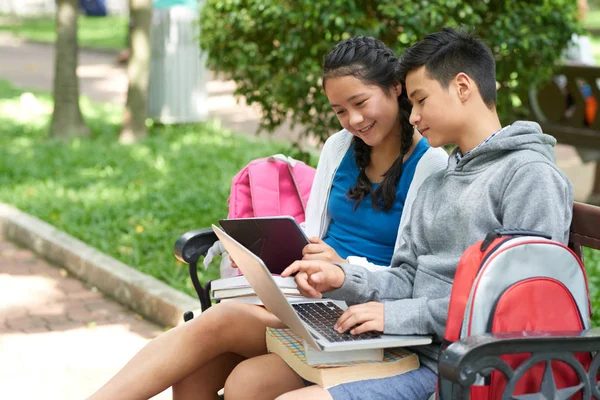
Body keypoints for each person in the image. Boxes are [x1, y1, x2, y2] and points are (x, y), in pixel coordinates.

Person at [86, 36, 448, 400]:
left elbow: (410, 278)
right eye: (340, 110)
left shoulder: (430, 165)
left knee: (227, 338)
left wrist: (341, 267)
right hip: (311, 303)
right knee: (196, 371)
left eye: (360, 103)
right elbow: (313, 231)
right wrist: (278, 247)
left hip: (366, 320)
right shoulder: (338, 147)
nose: (353, 120)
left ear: (395, 88)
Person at [223, 27, 575, 400]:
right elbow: (407, 275)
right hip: (404, 346)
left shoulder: (529, 176)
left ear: (462, 87)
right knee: (247, 383)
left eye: (420, 100)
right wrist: (343, 277)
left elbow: (516, 305)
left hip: (463, 366)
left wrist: (399, 317)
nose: (413, 117)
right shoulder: (441, 180)